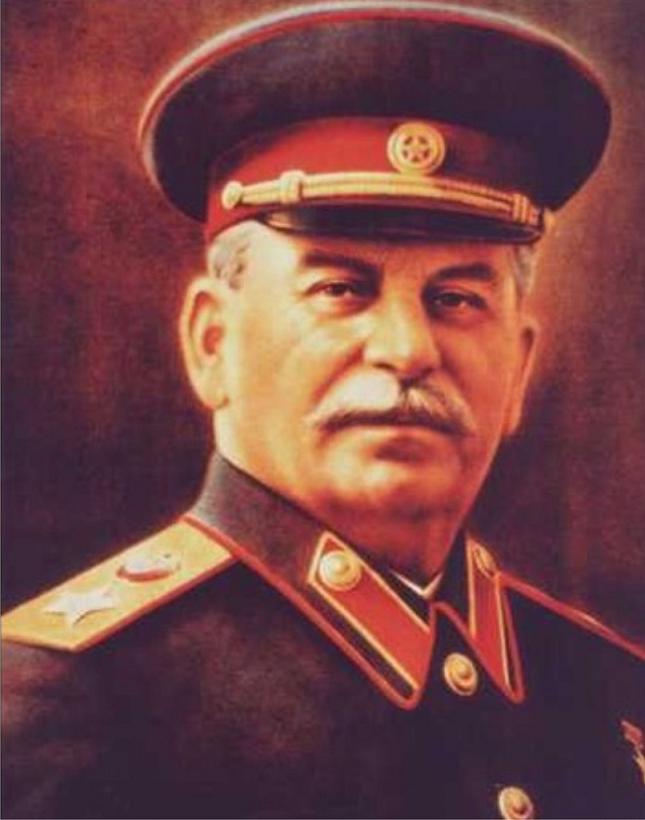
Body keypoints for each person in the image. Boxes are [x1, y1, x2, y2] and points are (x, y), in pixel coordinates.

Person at [2, 3, 644, 818]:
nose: (407, 350)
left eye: (454, 298)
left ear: (517, 367)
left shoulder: (608, 691)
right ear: (211, 342)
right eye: (341, 289)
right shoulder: (61, 708)